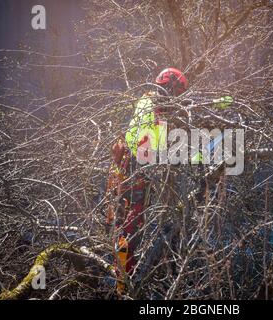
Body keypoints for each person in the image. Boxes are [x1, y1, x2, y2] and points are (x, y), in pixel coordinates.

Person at [105, 67, 233, 295]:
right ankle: (122, 281)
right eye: (178, 90)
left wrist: (215, 103)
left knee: (134, 224)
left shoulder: (149, 101)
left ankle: (128, 276)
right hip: (135, 171)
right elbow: (167, 138)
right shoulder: (154, 104)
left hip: (134, 169)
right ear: (169, 86)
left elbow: (185, 112)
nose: (179, 96)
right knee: (131, 227)